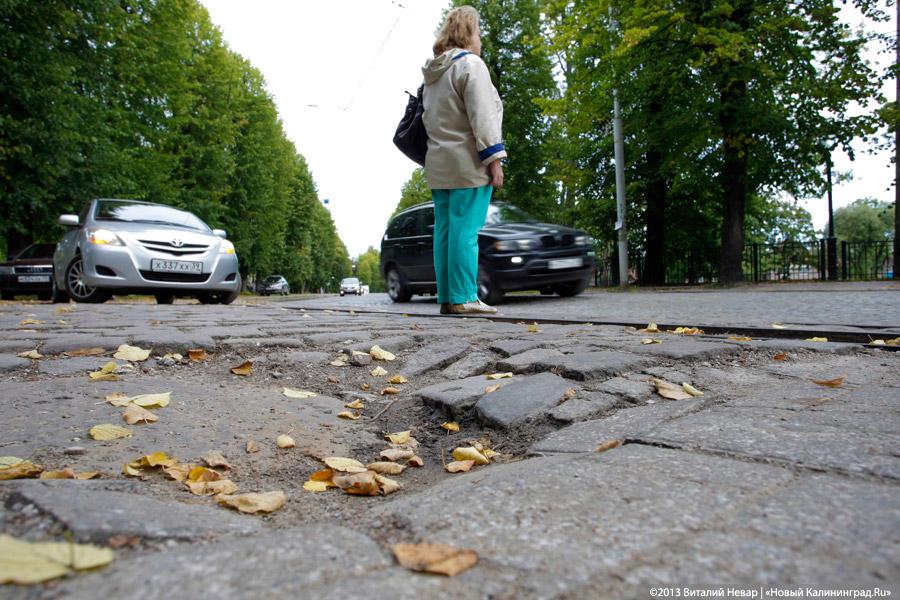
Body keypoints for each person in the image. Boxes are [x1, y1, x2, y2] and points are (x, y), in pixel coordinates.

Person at [422, 5, 505, 315]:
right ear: (469, 33)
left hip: (439, 162)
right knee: (466, 230)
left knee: (445, 230)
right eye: (479, 32)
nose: (481, 39)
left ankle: (447, 296)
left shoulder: (434, 72)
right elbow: (482, 116)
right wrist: (494, 159)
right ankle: (464, 297)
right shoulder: (471, 65)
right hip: (469, 162)